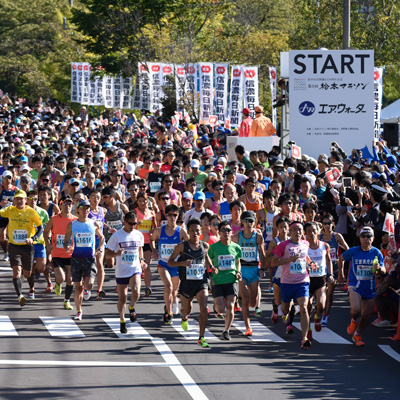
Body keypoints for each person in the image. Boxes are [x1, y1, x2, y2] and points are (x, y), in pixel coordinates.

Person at [168, 218, 217, 348]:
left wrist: (212, 267)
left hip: (201, 282)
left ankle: (201, 337)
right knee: (187, 309)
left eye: (197, 231)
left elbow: (205, 258)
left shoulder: (204, 245)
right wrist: (182, 263)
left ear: (201, 231)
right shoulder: (182, 246)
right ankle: (184, 318)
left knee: (203, 307)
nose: (195, 233)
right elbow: (170, 262)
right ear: (188, 232)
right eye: (192, 231)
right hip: (187, 283)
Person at [271, 221, 317, 349]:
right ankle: (285, 313)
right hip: (286, 283)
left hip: (302, 282)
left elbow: (305, 256)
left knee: (303, 308)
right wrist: (289, 260)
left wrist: (312, 263)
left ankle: (304, 338)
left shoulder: (305, 243)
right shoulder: (283, 245)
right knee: (286, 308)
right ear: (290, 232)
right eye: (295, 229)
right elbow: (273, 263)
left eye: (300, 229)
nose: (297, 232)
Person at [338, 226, 385, 346]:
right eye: (363, 236)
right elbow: (341, 259)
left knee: (366, 316)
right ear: (359, 238)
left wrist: (379, 269)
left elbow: (383, 269)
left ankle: (357, 334)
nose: (366, 239)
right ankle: (353, 321)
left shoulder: (376, 252)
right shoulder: (354, 251)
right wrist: (340, 274)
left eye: (368, 236)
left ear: (373, 238)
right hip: (355, 286)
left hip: (369, 288)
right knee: (356, 310)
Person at [106, 211, 148, 334]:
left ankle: (132, 307)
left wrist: (141, 260)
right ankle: (122, 320)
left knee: (136, 291)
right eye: (130, 224)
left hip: (135, 268)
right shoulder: (117, 236)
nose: (133, 226)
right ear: (125, 222)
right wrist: (116, 254)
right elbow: (107, 254)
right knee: (122, 298)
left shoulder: (138, 234)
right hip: (122, 270)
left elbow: (139, 248)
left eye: (135, 223)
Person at [0, 189, 43, 306]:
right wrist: (0, 205)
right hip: (14, 246)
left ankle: (31, 288)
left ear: (26, 200)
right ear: (14, 200)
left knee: (28, 273)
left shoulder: (31, 212)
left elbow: (40, 228)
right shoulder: (9, 210)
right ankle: (20, 296)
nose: (19, 201)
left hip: (27, 247)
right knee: (16, 271)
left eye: (21, 199)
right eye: (17, 199)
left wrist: (33, 239)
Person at [64, 199, 104, 320]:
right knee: (77, 287)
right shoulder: (72, 225)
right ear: (78, 210)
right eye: (83, 208)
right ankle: (79, 311)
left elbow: (101, 237)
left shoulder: (94, 223)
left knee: (90, 284)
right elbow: (66, 240)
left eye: (87, 208)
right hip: (76, 258)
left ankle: (87, 290)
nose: (86, 211)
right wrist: (66, 246)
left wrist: (100, 249)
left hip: (90, 259)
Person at [150, 204, 189, 324]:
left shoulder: (181, 231)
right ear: (166, 216)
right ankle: (169, 312)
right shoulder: (159, 230)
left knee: (174, 291)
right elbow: (152, 239)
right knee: (168, 286)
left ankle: (169, 305)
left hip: (176, 265)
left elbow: (189, 244)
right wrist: (154, 250)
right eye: (170, 215)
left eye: (175, 215)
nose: (172, 218)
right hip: (163, 264)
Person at [208, 220, 242, 340]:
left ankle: (226, 330)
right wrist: (211, 270)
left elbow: (238, 261)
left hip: (232, 280)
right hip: (218, 281)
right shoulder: (213, 248)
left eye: (228, 230)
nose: (226, 232)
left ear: (231, 232)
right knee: (221, 308)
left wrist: (238, 272)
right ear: (219, 232)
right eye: (223, 230)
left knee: (231, 305)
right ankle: (216, 308)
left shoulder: (236, 247)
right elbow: (207, 260)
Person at [232, 211, 265, 335]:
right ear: (242, 222)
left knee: (252, 301)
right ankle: (248, 327)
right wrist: (234, 270)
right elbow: (232, 253)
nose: (249, 223)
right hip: (242, 269)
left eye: (251, 221)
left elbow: (262, 253)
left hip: (254, 269)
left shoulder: (258, 237)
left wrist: (262, 269)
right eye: (247, 221)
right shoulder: (236, 237)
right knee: (245, 299)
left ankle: (241, 299)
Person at [43, 194, 76, 310]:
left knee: (70, 279)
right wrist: (48, 244)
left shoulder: (75, 220)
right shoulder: (54, 219)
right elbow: (45, 232)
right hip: (57, 253)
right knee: (61, 278)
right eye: (65, 204)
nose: (68, 206)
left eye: (70, 204)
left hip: (70, 253)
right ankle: (57, 283)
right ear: (60, 205)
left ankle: (66, 301)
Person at [305, 221, 334, 336]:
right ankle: (308, 330)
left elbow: (328, 260)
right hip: (307, 280)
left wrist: (330, 274)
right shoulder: (304, 246)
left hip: (320, 279)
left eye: (314, 230)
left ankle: (317, 317)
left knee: (321, 306)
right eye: (309, 231)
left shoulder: (324, 245)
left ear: (318, 231)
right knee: (307, 307)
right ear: (305, 233)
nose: (312, 233)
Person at [320, 214, 349, 326]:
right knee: (321, 293)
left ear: (333, 224)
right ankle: (320, 310)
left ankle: (325, 315)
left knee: (329, 294)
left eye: (329, 223)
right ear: (322, 225)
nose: (327, 225)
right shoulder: (319, 237)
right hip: (321, 269)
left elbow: (348, 250)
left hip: (334, 268)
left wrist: (340, 259)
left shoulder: (337, 236)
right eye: (325, 223)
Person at [266, 216, 290, 323]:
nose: (283, 229)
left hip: (290, 273)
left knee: (289, 297)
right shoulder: (274, 242)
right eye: (281, 227)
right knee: (278, 299)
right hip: (278, 272)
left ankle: (287, 317)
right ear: (277, 228)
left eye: (285, 227)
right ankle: (275, 309)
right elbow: (268, 256)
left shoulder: (292, 240)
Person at [26, 190, 50, 297]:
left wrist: (48, 240)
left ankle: (36, 269)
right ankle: (32, 289)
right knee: (29, 269)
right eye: (30, 199)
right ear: (27, 200)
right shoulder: (23, 211)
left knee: (41, 267)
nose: (33, 201)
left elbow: (48, 228)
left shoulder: (43, 212)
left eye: (35, 199)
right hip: (27, 243)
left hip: (40, 243)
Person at [135, 192, 156, 297]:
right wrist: (135, 224)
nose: (142, 203)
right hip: (136, 243)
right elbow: (128, 225)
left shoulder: (151, 213)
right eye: (140, 201)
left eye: (144, 200)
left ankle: (148, 287)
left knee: (146, 266)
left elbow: (155, 228)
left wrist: (152, 230)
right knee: (138, 267)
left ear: (148, 201)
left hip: (147, 242)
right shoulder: (134, 212)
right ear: (137, 202)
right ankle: (137, 288)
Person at [88, 189, 107, 299]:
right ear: (89, 198)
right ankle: (86, 286)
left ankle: (99, 289)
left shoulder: (102, 210)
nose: (95, 199)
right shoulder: (86, 211)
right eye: (93, 197)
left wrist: (109, 228)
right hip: (89, 241)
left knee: (100, 263)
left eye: (98, 197)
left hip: (100, 240)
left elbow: (103, 224)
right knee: (89, 264)